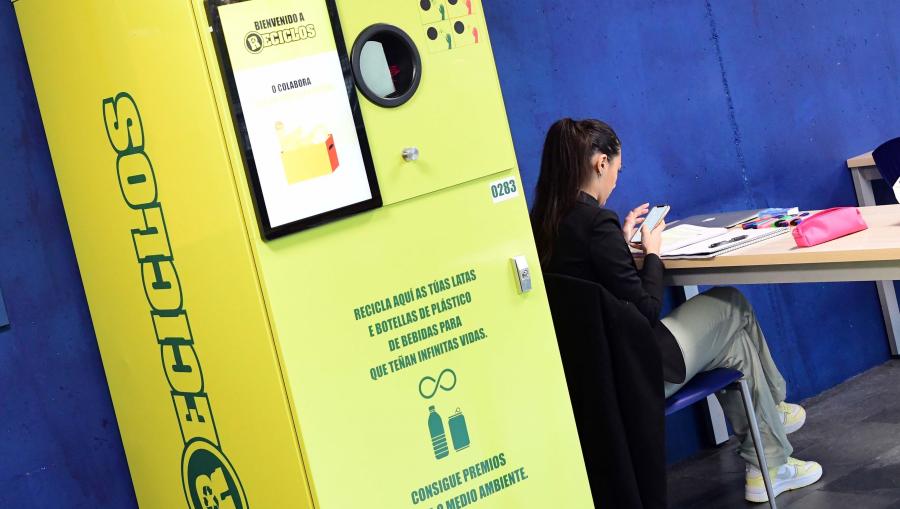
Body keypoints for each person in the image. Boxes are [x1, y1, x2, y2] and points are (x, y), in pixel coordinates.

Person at [530, 118, 823, 503]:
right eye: (617, 167)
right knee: (731, 305)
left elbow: (591, 279)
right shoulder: (597, 224)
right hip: (636, 371)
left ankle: (769, 456)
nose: (617, 178)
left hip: (592, 378)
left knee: (735, 347)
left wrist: (618, 245)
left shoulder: (542, 224)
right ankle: (774, 413)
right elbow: (647, 308)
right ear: (600, 163)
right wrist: (652, 252)